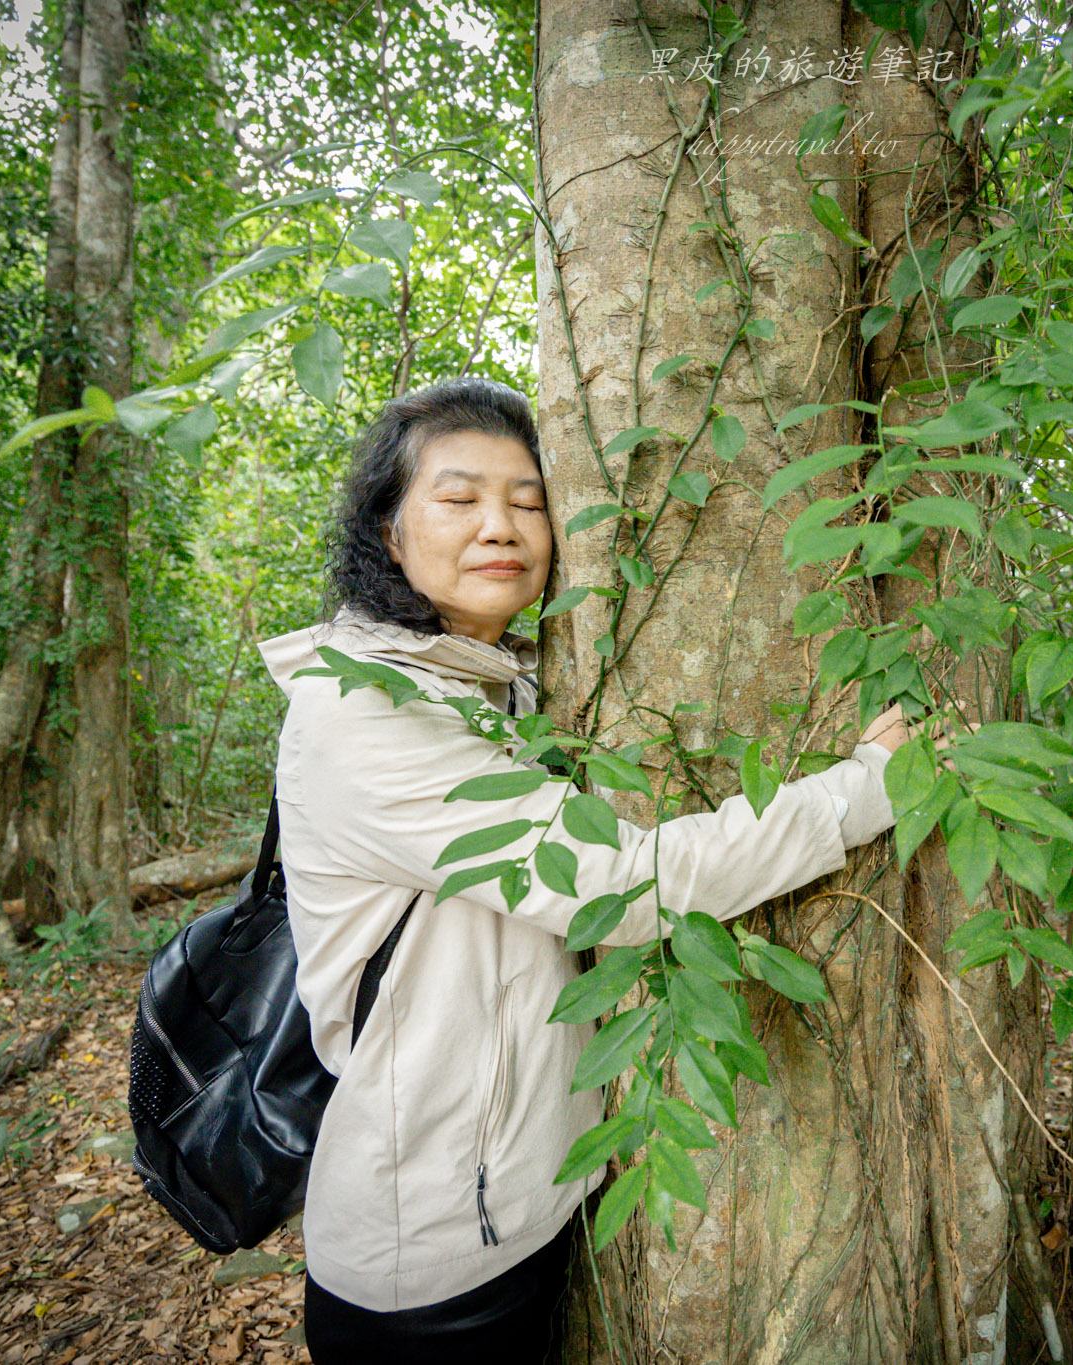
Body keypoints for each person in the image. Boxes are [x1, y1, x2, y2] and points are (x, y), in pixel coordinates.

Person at [254, 378, 915, 1361]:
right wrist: (864, 790)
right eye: (457, 497)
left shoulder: (489, 689)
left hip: (526, 1201)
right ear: (388, 534)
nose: (500, 526)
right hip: (434, 1261)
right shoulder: (364, 717)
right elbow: (622, 886)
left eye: (527, 502)